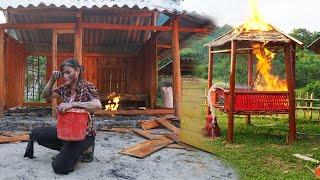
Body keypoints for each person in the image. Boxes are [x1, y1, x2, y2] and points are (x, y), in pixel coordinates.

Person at [23, 58, 102, 174]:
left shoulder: (87, 86)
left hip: (83, 134)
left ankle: (85, 150)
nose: (65, 76)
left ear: (77, 70)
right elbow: (46, 95)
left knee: (59, 167)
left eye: (68, 72)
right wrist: (51, 79)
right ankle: (68, 149)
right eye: (64, 73)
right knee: (35, 133)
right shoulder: (65, 88)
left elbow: (98, 105)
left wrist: (72, 104)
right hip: (67, 132)